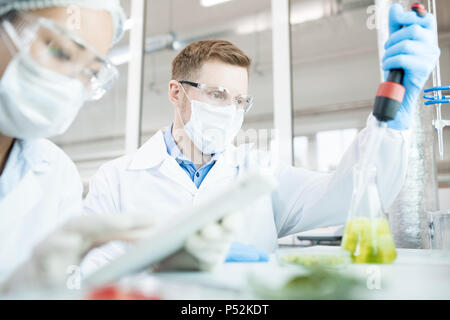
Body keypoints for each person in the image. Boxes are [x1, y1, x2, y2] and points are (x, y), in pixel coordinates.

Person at [83, 3, 441, 269]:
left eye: (240, 101)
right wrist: (161, 261)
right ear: (176, 93)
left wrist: (392, 119)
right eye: (217, 95)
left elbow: (351, 195)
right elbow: (86, 275)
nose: (231, 111)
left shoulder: (263, 177)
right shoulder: (116, 180)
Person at [0, 0, 236, 295]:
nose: (70, 85)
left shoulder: (56, 174)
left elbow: (63, 287)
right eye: (61, 51)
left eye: (89, 72)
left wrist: (153, 268)